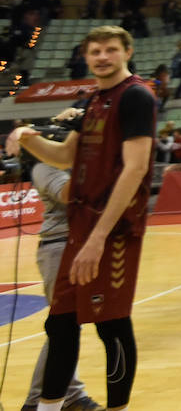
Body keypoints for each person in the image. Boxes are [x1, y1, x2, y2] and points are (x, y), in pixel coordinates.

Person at [5, 26, 157, 411]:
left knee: (112, 326)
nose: (102, 57)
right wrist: (25, 135)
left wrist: (98, 236)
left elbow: (136, 169)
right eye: (95, 51)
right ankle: (49, 406)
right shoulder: (93, 99)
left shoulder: (136, 96)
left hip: (113, 230)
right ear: (86, 57)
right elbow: (64, 157)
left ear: (127, 51)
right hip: (81, 226)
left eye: (110, 49)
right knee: (60, 324)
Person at [19, 120, 101, 411]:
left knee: (69, 327)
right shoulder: (42, 168)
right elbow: (69, 195)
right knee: (63, 329)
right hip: (57, 248)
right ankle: (36, 401)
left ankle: (72, 393)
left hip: (72, 245)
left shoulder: (62, 165)